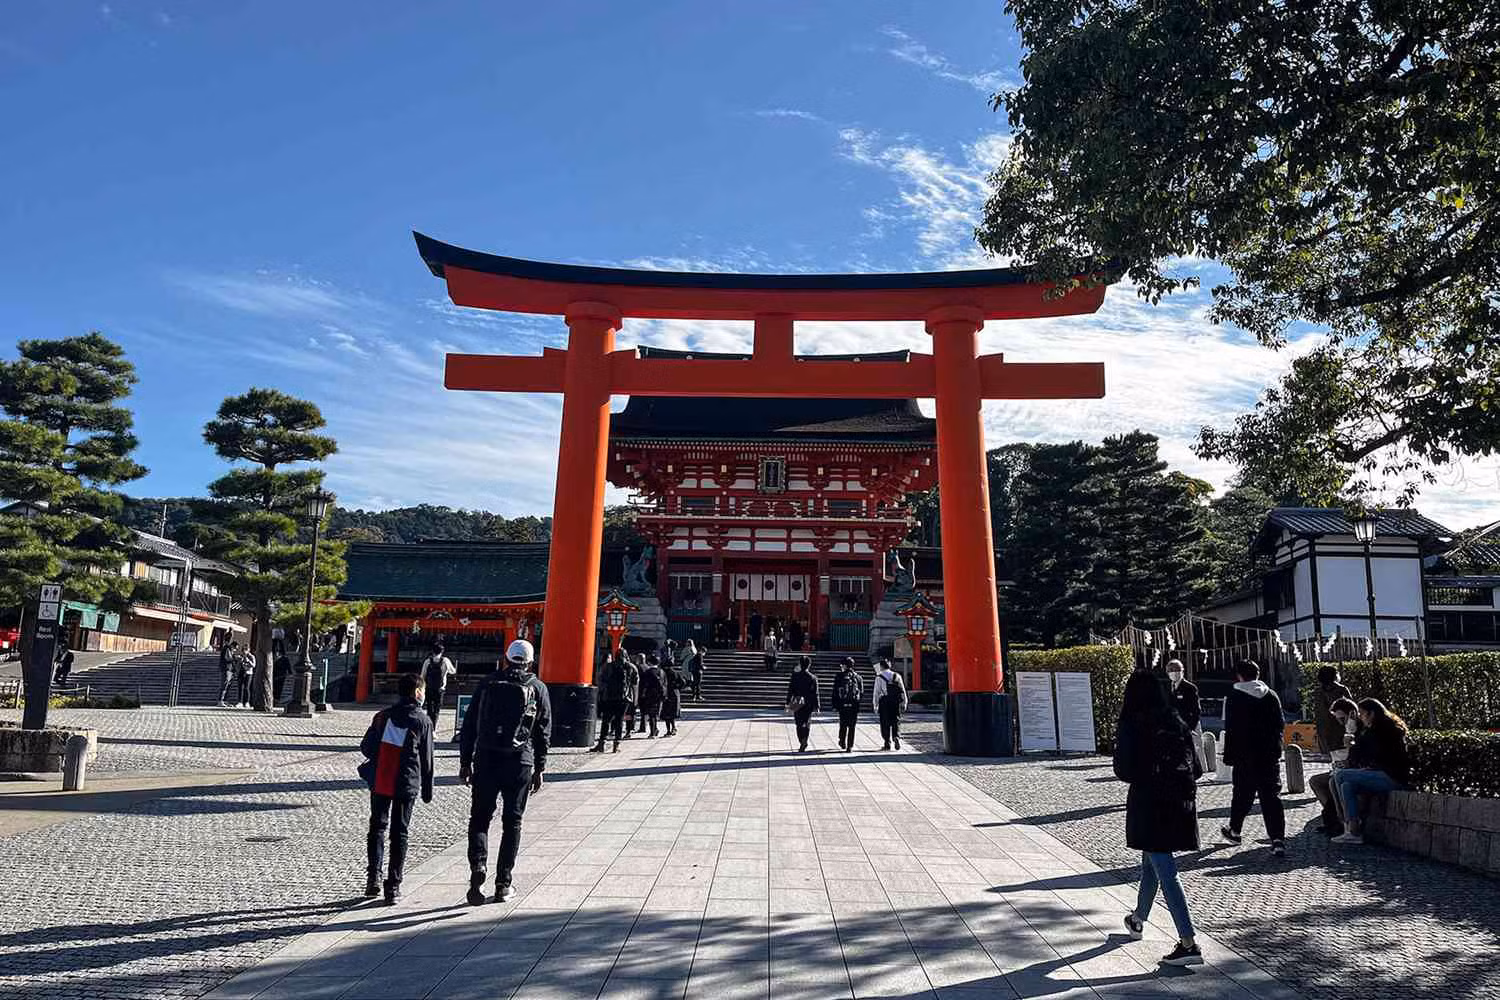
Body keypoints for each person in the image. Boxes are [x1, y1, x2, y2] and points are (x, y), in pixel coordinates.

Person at [1114, 670, 1204, 967]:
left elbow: (1124, 770)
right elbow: (1198, 767)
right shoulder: (1175, 720)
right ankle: (1138, 918)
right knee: (1151, 862)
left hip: (1150, 801)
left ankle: (1188, 942)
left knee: (1165, 869)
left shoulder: (1133, 722)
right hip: (1181, 800)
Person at [460, 639, 551, 905]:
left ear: (506, 658)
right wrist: (540, 767)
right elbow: (543, 732)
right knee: (512, 822)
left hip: (487, 757)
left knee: (479, 818)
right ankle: (503, 883)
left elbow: (470, 725)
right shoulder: (537, 688)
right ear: (531, 661)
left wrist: (466, 761)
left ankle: (478, 866)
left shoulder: (488, 683)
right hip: (519, 760)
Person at [358, 672, 435, 904]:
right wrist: (427, 788)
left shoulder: (382, 717)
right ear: (418, 692)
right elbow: (427, 758)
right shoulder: (423, 720)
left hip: (382, 778)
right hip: (407, 781)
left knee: (377, 827)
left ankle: (373, 878)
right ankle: (393, 886)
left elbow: (366, 747)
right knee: (400, 831)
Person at [1221, 660, 1287, 857]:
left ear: (1239, 676)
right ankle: (1277, 839)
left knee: (1242, 795)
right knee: (1271, 797)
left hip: (1244, 755)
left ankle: (1235, 830)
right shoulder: (1271, 695)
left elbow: (1231, 729)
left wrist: (1229, 755)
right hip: (1268, 755)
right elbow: (1280, 724)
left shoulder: (1234, 696)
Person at [1331, 698, 1412, 845]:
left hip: (1392, 777)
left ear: (1372, 714)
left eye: (1362, 714)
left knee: (1340, 775)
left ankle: (1347, 824)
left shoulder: (1381, 730)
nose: (1361, 717)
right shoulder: (1377, 729)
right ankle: (1353, 831)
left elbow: (1368, 753)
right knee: (1346, 785)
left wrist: (1352, 744)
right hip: (1384, 773)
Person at [1309, 697, 1360, 835]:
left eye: (1342, 718)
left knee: (1334, 781)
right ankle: (1332, 816)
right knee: (1316, 781)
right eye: (1338, 718)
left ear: (1351, 715)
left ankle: (1341, 821)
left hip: (1354, 770)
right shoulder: (1343, 728)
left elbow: (1358, 755)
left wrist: (1351, 726)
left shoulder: (1358, 728)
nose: (1339, 722)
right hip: (1344, 768)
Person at [1165, 659, 1205, 774]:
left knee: (1194, 749)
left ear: (1182, 671)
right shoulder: (1168, 687)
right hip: (1174, 726)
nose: (1174, 672)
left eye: (1176, 670)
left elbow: (1196, 710)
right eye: (1171, 670)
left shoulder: (1190, 688)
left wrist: (1191, 727)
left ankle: (1198, 770)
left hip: (1188, 725)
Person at [1312, 666, 1354, 756]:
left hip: (1323, 727)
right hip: (1340, 725)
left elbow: (1318, 711)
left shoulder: (1318, 691)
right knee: (1342, 752)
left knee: (1329, 753)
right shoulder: (1342, 689)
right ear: (1335, 676)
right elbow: (1352, 707)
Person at [592, 651, 629, 753]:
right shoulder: (630, 667)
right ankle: (616, 745)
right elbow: (635, 681)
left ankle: (602, 743)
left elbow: (600, 680)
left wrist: (603, 691)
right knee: (619, 721)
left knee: (606, 720)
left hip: (609, 697)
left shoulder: (608, 666)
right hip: (623, 698)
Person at [785, 655, 820, 751]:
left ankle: (802, 740)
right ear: (809, 665)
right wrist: (817, 706)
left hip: (797, 702)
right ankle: (805, 739)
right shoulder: (813, 678)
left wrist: (787, 702)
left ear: (800, 664)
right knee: (807, 722)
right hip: (808, 702)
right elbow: (815, 693)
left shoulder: (795, 676)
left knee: (798, 723)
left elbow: (790, 690)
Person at [872, 659, 907, 750]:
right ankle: (896, 736)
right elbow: (902, 690)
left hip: (885, 700)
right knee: (896, 720)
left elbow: (876, 692)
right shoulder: (897, 675)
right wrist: (905, 702)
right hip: (895, 701)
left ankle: (887, 742)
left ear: (881, 667)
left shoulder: (879, 677)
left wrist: (875, 705)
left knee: (885, 722)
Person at [421, 643, 457, 729]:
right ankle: (434, 728)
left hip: (429, 688)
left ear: (432, 651)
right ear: (442, 651)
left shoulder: (428, 661)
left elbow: (422, 675)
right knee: (437, 710)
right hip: (440, 689)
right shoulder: (445, 661)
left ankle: (428, 727)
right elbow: (453, 671)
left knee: (429, 709)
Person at [831, 657, 864, 752]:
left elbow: (835, 692)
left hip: (843, 704)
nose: (841, 667)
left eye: (842, 665)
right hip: (854, 705)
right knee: (852, 726)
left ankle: (842, 741)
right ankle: (850, 746)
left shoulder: (839, 676)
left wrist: (835, 705)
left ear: (845, 665)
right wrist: (857, 702)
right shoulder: (858, 677)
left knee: (843, 724)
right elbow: (861, 692)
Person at [637, 654, 665, 738]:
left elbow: (644, 684)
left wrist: (642, 694)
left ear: (649, 662)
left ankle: (653, 732)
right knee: (655, 714)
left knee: (651, 714)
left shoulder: (648, 672)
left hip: (650, 695)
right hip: (660, 695)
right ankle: (655, 729)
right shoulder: (662, 671)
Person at [662, 657, 686, 736]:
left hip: (666, 693)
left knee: (666, 713)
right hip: (675, 693)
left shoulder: (663, 673)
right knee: (672, 713)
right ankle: (673, 727)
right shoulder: (676, 673)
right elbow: (683, 682)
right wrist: (678, 688)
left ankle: (669, 730)